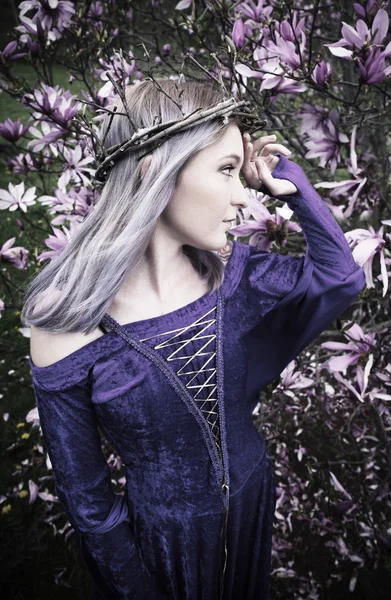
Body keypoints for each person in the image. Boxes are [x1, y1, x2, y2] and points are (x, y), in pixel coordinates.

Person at [24, 78, 366, 599]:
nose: (241, 195)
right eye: (226, 170)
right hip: (165, 544)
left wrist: (290, 183)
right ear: (154, 173)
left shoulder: (235, 278)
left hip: (253, 501)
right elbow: (90, 507)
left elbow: (341, 278)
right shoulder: (67, 324)